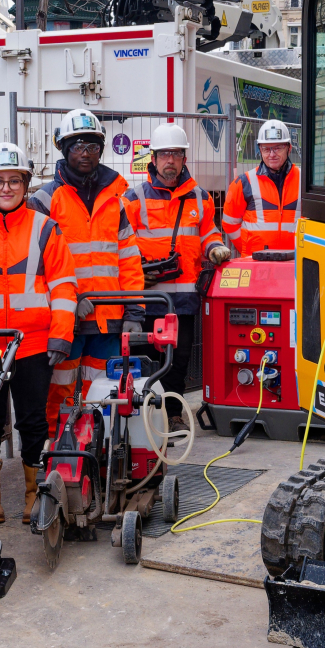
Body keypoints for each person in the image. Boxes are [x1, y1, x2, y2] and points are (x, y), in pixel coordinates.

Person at [0, 143, 77, 524]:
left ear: (26, 184)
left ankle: (34, 493)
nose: (6, 188)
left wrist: (61, 333)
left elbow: (64, 284)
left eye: (14, 180)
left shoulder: (45, 228)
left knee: (33, 421)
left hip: (32, 344)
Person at [31, 109, 144, 431]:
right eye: (77, 146)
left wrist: (134, 310)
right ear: (64, 150)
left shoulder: (116, 200)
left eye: (92, 146)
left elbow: (128, 259)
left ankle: (98, 446)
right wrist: (68, 300)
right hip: (66, 319)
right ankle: (54, 450)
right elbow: (34, 266)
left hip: (108, 319)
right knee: (60, 390)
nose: (85, 153)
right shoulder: (45, 199)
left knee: (103, 391)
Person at [123, 124, 231, 433]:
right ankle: (143, 415)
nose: (171, 160)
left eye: (177, 154)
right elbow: (123, 240)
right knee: (145, 359)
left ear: (184, 159)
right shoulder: (134, 197)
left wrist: (215, 247)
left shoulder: (199, 197)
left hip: (183, 298)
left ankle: (172, 413)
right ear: (153, 159)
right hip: (146, 296)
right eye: (165, 154)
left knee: (179, 359)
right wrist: (139, 266)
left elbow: (207, 231)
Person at [222, 119, 300, 255]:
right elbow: (229, 224)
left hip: (295, 263)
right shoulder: (244, 182)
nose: (272, 154)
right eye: (266, 149)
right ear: (260, 150)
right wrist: (249, 249)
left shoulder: (303, 181)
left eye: (278, 148)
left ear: (289, 148)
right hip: (257, 264)